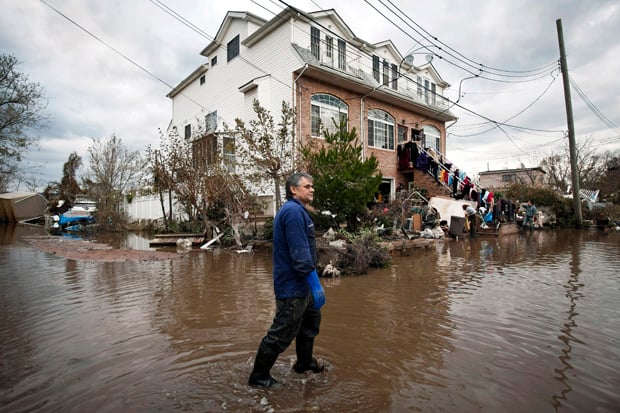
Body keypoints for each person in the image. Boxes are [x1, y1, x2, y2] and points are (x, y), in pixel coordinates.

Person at [248, 172, 326, 388]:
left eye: (312, 186)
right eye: (307, 186)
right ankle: (259, 377)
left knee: (309, 325)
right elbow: (300, 255)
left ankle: (304, 363)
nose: (312, 189)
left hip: (304, 286)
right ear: (293, 189)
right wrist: (316, 285)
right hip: (293, 287)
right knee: (281, 333)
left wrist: (312, 287)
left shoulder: (298, 212)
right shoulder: (292, 212)